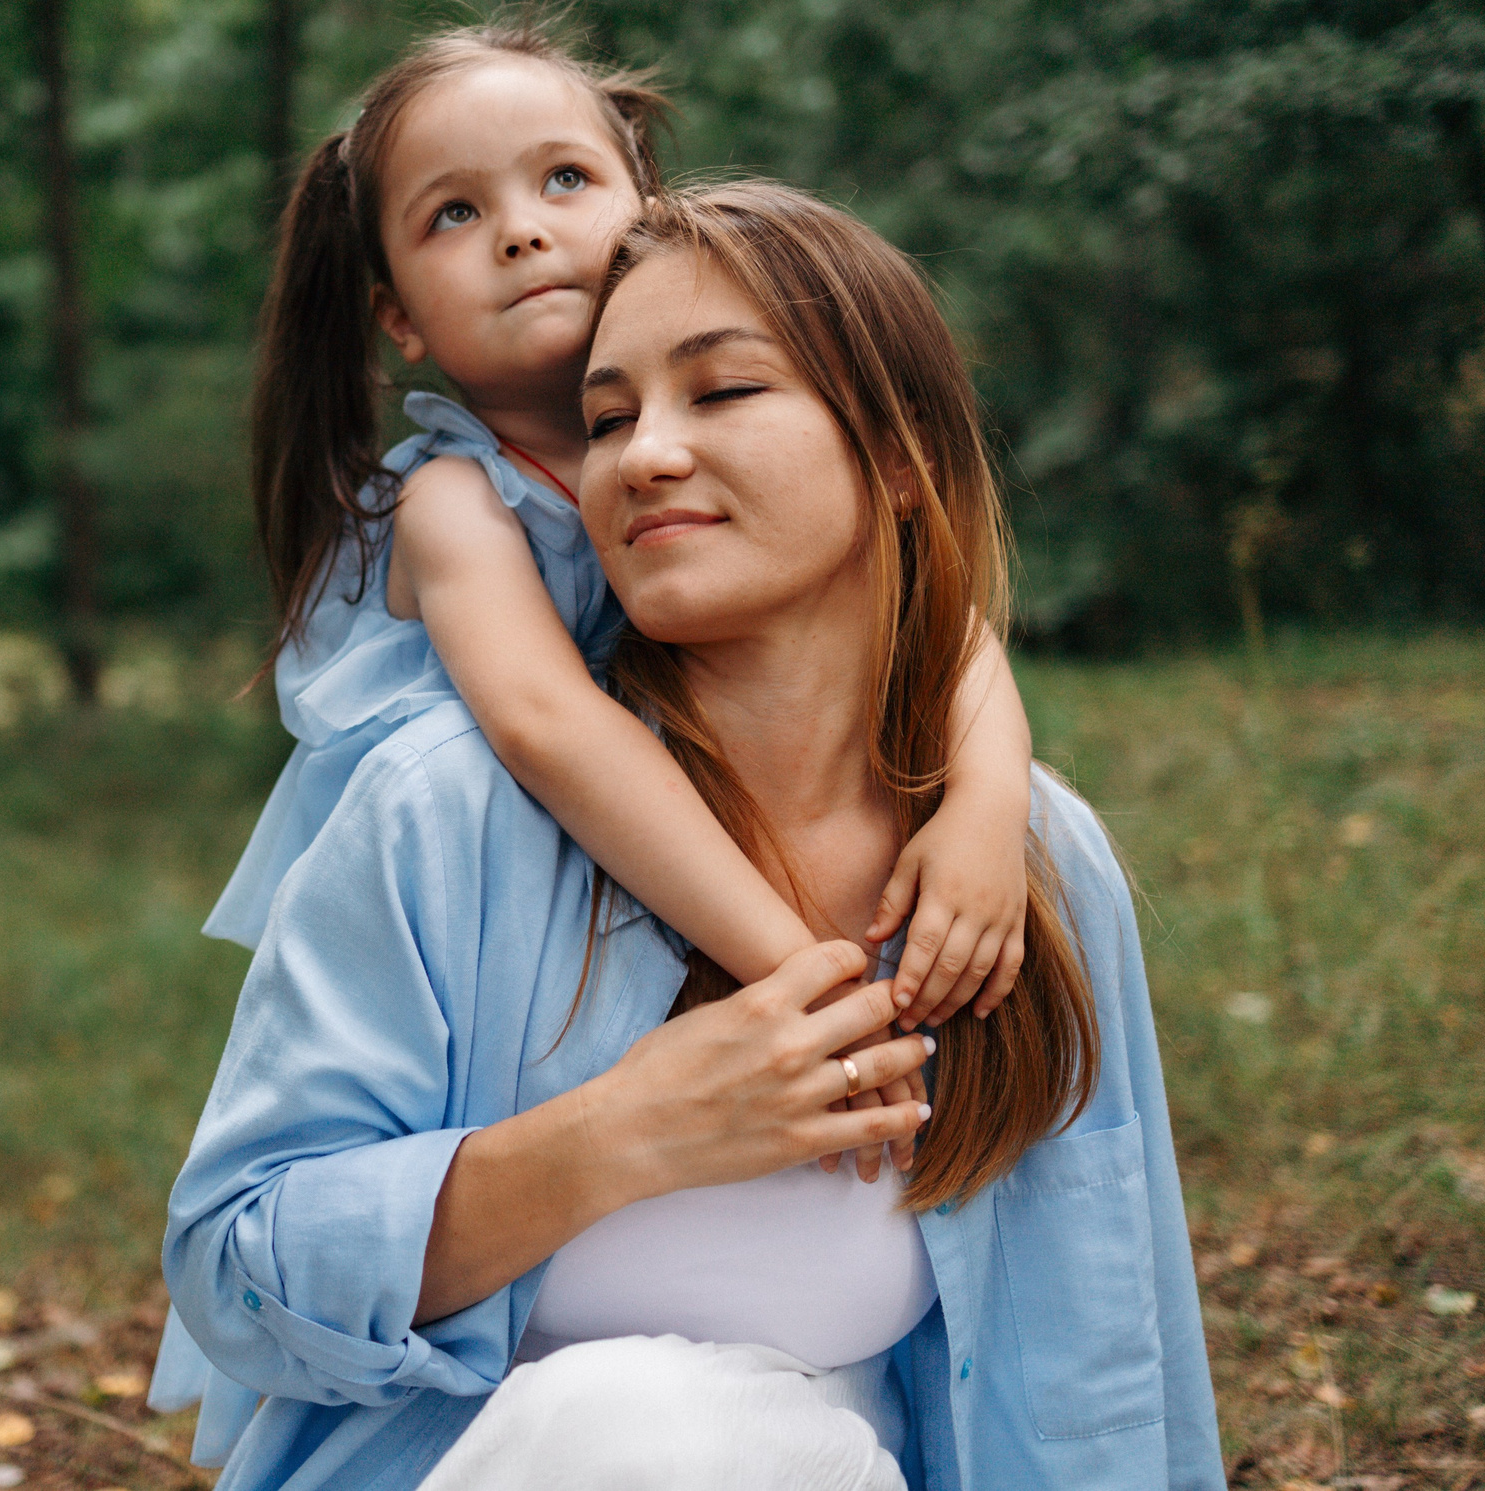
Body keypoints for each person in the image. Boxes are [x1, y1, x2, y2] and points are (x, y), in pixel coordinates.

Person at [162, 182, 1224, 1490]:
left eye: (721, 392)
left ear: (897, 458)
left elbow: (1125, 1356)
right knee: (657, 1424)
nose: (644, 453)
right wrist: (613, 1136)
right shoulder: (442, 810)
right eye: (605, 418)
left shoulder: (1026, 863)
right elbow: (232, 1263)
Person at [214, 11, 1038, 1036]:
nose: (521, 231)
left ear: (646, 214)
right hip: (480, 908)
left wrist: (988, 812)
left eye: (564, 179)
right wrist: (801, 980)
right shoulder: (452, 503)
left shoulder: (731, 469)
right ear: (401, 321)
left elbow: (934, 624)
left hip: (651, 859)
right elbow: (550, 730)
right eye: (454, 214)